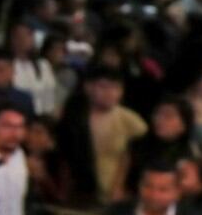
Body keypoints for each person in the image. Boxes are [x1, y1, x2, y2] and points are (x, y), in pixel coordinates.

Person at [58, 66, 148, 204]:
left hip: (116, 194)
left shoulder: (131, 120)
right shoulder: (74, 117)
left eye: (116, 88)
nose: (110, 93)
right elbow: (64, 157)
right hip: (80, 192)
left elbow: (140, 157)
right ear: (88, 87)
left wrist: (124, 187)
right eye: (103, 87)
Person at [112, 97, 201, 201]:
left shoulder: (190, 153)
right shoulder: (137, 145)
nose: (160, 120)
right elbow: (119, 184)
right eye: (158, 114)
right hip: (134, 202)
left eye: (168, 116)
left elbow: (190, 191)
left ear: (183, 125)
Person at [7, 22, 60, 116]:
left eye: (27, 35)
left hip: (41, 116)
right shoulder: (6, 65)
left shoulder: (43, 65)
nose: (22, 39)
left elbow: (49, 99)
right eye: (18, 36)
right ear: (11, 39)